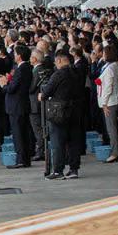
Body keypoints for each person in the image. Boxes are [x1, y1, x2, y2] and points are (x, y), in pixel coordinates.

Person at [40, 49, 81, 179]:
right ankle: (74, 169)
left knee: (58, 141)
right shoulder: (77, 72)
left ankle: (58, 170)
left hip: (59, 112)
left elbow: (46, 92)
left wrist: (42, 95)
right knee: (74, 140)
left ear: (59, 60)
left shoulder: (58, 74)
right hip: (75, 110)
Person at [0, 44, 33, 168]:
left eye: (15, 53)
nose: (14, 55)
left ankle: (21, 160)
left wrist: (4, 84)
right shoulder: (27, 67)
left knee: (19, 134)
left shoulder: (21, 69)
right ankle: (25, 159)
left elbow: (12, 88)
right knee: (23, 133)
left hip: (17, 105)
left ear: (19, 55)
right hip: (22, 104)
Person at [98, 44, 118, 162]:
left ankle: (114, 153)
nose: (102, 55)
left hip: (110, 102)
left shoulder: (110, 68)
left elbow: (108, 87)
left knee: (111, 129)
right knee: (111, 127)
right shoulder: (111, 65)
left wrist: (104, 104)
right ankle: (115, 151)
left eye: (104, 53)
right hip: (111, 99)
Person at [28, 47, 52, 162]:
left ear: (35, 59)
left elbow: (32, 87)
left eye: (31, 57)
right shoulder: (42, 69)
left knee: (38, 128)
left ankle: (41, 151)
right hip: (38, 103)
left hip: (35, 103)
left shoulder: (37, 71)